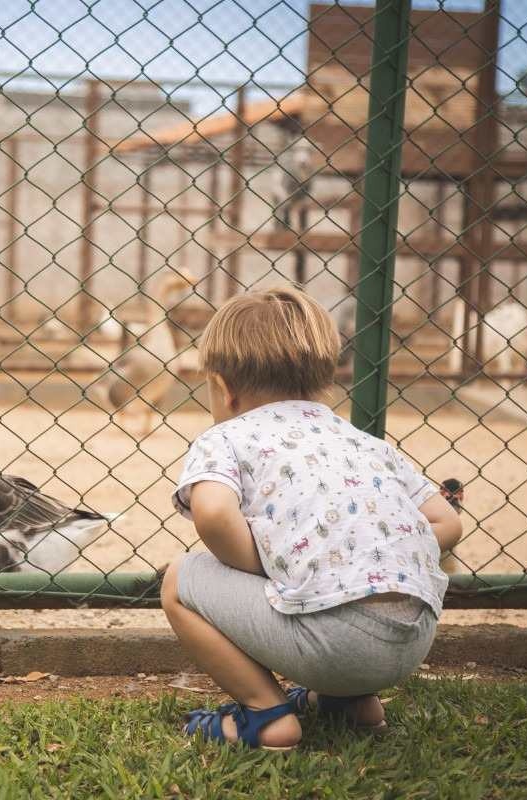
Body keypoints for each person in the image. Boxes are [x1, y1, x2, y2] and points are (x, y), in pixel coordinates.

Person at [160, 286, 462, 750]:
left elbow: (215, 513)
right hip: (412, 640)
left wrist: (265, 566)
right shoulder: (363, 442)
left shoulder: (226, 438)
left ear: (222, 386)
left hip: (330, 644)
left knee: (180, 579)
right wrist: (374, 550)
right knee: (347, 574)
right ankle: (353, 704)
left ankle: (265, 714)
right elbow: (448, 523)